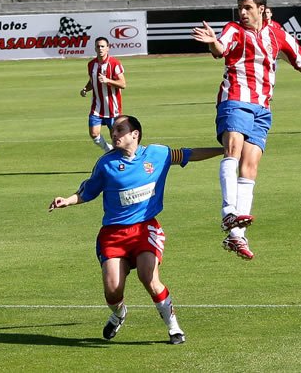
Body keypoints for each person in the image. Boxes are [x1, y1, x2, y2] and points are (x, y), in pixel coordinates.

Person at [191, 0, 301, 260]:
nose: (243, 12)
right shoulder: (234, 29)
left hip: (262, 107)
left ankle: (237, 236)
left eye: (248, 8)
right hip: (235, 98)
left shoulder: (277, 34)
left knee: (251, 165)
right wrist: (213, 42)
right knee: (233, 149)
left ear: (262, 9)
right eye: (240, 8)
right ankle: (228, 212)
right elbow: (221, 48)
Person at [48, 115, 223, 345]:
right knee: (112, 291)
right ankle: (119, 314)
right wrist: (67, 201)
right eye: (114, 130)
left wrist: (225, 150)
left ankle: (174, 328)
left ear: (135, 134)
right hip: (113, 234)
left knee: (148, 276)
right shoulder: (106, 164)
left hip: (145, 228)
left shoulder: (158, 154)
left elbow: (189, 154)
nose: (114, 133)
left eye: (120, 129)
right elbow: (88, 191)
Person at [81, 37, 126, 151]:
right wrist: (86, 88)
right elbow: (93, 81)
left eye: (102, 46)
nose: (100, 48)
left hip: (112, 107)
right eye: (98, 46)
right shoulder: (91, 64)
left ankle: (120, 159)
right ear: (95, 48)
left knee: (115, 136)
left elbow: (123, 84)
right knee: (94, 133)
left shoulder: (114, 63)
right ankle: (108, 150)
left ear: (108, 48)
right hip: (97, 107)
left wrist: (107, 80)